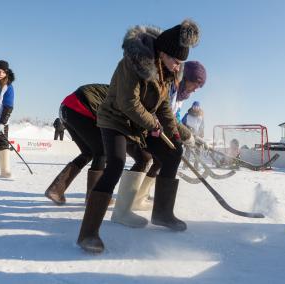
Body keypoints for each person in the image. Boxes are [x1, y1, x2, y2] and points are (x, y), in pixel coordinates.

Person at [77, 19, 200, 254]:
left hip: (140, 124)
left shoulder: (167, 72)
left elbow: (164, 110)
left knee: (173, 151)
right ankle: (88, 233)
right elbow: (127, 102)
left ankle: (163, 214)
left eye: (180, 63)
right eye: (176, 61)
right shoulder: (132, 63)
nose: (178, 67)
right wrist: (151, 122)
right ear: (163, 53)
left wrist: (178, 134)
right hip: (115, 120)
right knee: (116, 164)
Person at [127, 61, 206, 213]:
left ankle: (140, 198)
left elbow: (174, 117)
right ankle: (149, 207)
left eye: (199, 86)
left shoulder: (182, 96)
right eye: (196, 84)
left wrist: (192, 137)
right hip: (143, 127)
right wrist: (184, 135)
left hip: (154, 129)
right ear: (186, 77)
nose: (196, 89)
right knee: (167, 155)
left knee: (161, 160)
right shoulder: (171, 87)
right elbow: (165, 115)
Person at [44, 84, 108, 205]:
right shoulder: (125, 95)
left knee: (88, 152)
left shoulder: (117, 89)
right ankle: (94, 198)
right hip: (78, 108)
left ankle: (56, 190)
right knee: (102, 151)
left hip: (66, 109)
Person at [182, 101, 204, 169]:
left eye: (197, 107)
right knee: (188, 149)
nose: (195, 108)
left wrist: (202, 134)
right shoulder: (187, 115)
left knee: (198, 150)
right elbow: (182, 123)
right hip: (189, 134)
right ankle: (185, 165)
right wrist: (186, 130)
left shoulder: (201, 117)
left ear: (199, 108)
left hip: (197, 135)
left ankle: (196, 165)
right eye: (194, 106)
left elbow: (202, 126)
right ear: (192, 107)